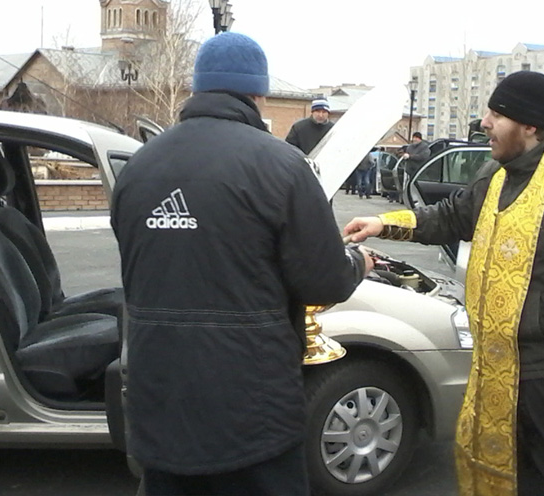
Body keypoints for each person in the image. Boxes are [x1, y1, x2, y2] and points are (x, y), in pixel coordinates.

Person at [344, 71, 544, 496]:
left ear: (530, 126)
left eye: (497, 115)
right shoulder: (496, 173)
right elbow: (451, 217)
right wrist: (383, 223)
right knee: (520, 481)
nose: (484, 123)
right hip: (494, 366)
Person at [111, 32, 373, 496]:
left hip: (160, 399)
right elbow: (324, 280)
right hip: (252, 408)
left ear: (197, 88)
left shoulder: (137, 168)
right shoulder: (282, 166)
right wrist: (358, 261)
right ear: (258, 94)